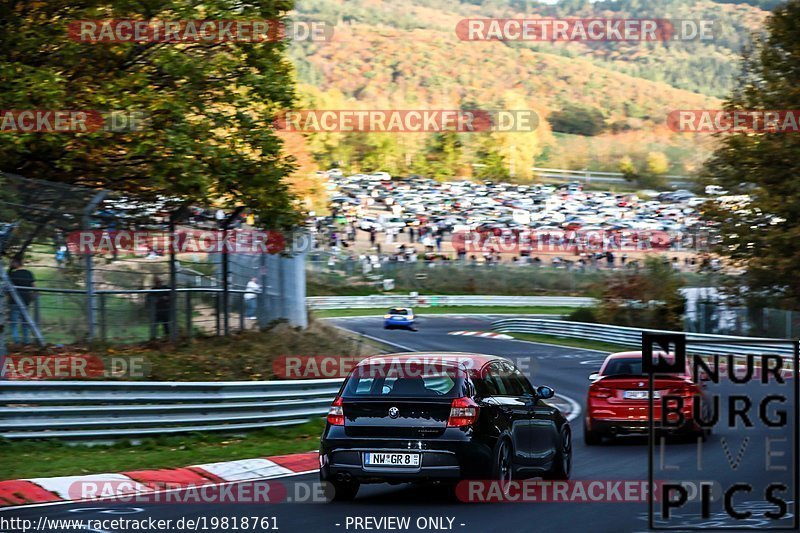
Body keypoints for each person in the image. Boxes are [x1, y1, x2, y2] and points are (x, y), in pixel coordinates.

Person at [7, 258, 35, 344]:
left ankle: (17, 342)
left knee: (14, 323)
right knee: (25, 323)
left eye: (12, 262)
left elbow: (8, 288)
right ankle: (26, 341)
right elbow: (34, 287)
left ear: (16, 263)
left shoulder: (12, 275)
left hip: (14, 302)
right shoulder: (29, 273)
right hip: (26, 301)